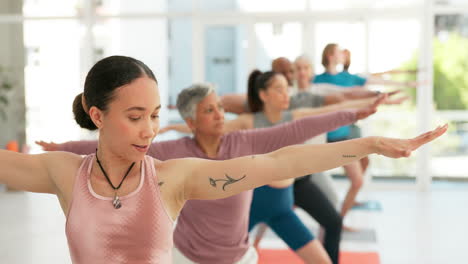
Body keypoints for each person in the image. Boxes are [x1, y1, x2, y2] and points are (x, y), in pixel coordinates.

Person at [7, 55, 446, 264]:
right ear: (97, 114)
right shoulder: (63, 173)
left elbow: (280, 162)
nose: (149, 129)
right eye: (135, 116)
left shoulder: (173, 178)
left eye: (156, 116)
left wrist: (369, 145)